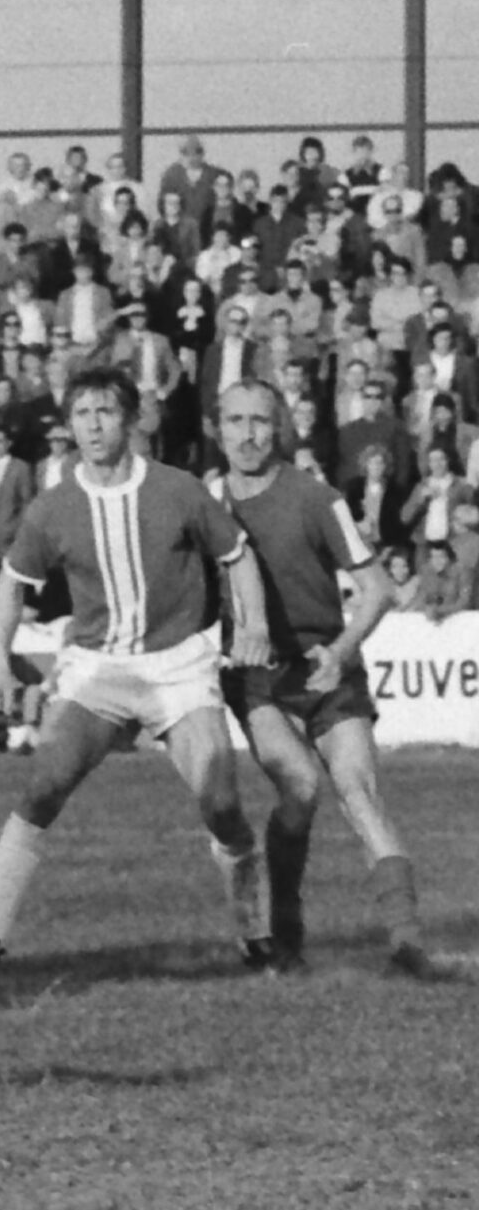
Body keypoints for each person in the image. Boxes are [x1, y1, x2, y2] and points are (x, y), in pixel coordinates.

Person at [0, 367, 275, 976]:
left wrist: (252, 626)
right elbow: (11, 586)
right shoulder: (54, 506)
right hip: (97, 669)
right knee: (43, 787)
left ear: (132, 419)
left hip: (179, 666)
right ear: (69, 424)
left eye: (106, 412)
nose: (93, 425)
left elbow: (237, 556)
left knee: (221, 803)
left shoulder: (179, 490)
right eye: (82, 413)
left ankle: (256, 935)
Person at [209, 382, 437, 977]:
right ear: (217, 428)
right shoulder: (204, 502)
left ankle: (408, 943)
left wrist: (340, 651)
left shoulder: (316, 497)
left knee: (360, 793)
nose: (248, 433)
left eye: (260, 420)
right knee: (301, 788)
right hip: (258, 679)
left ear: (280, 426)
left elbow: (378, 590)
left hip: (327, 669)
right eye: (235, 420)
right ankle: (285, 931)